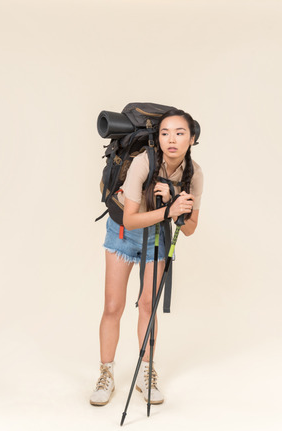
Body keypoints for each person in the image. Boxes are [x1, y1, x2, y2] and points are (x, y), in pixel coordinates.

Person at [90, 108, 203, 406]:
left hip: (157, 236)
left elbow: (189, 229)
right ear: (158, 138)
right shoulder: (143, 162)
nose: (172, 140)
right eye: (165, 133)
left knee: (147, 306)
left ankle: (146, 373)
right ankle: (106, 374)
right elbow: (129, 219)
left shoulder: (194, 174)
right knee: (113, 306)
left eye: (180, 133)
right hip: (123, 233)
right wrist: (168, 210)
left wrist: (176, 204)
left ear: (192, 138)